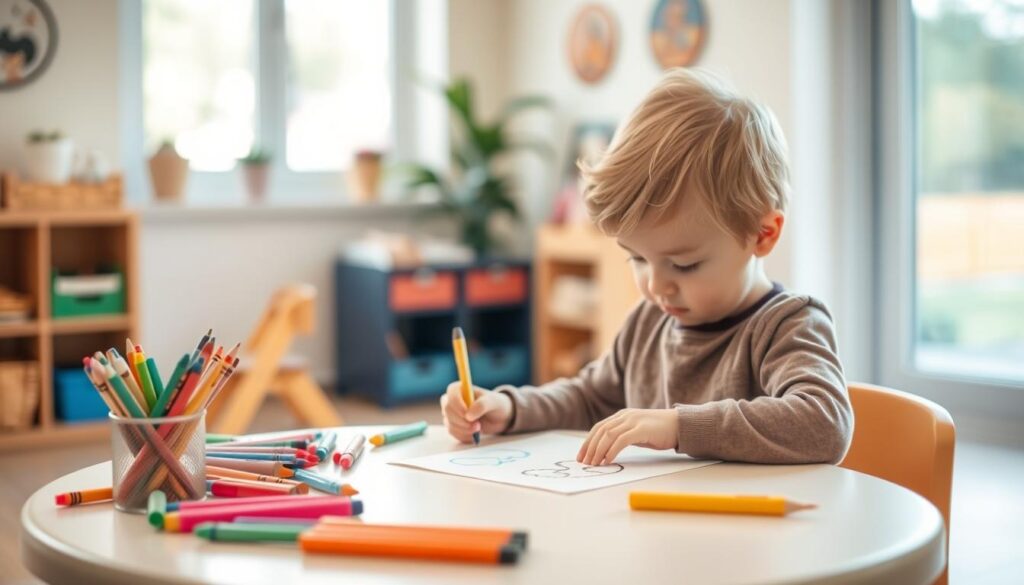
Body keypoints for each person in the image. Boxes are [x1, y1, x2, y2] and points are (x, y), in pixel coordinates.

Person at [441, 68, 853, 465]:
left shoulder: (787, 324)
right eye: (637, 258)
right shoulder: (647, 322)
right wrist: (509, 408)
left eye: (684, 264)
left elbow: (824, 422)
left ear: (762, 235)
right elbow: (588, 398)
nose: (656, 286)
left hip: (753, 530)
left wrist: (678, 426)